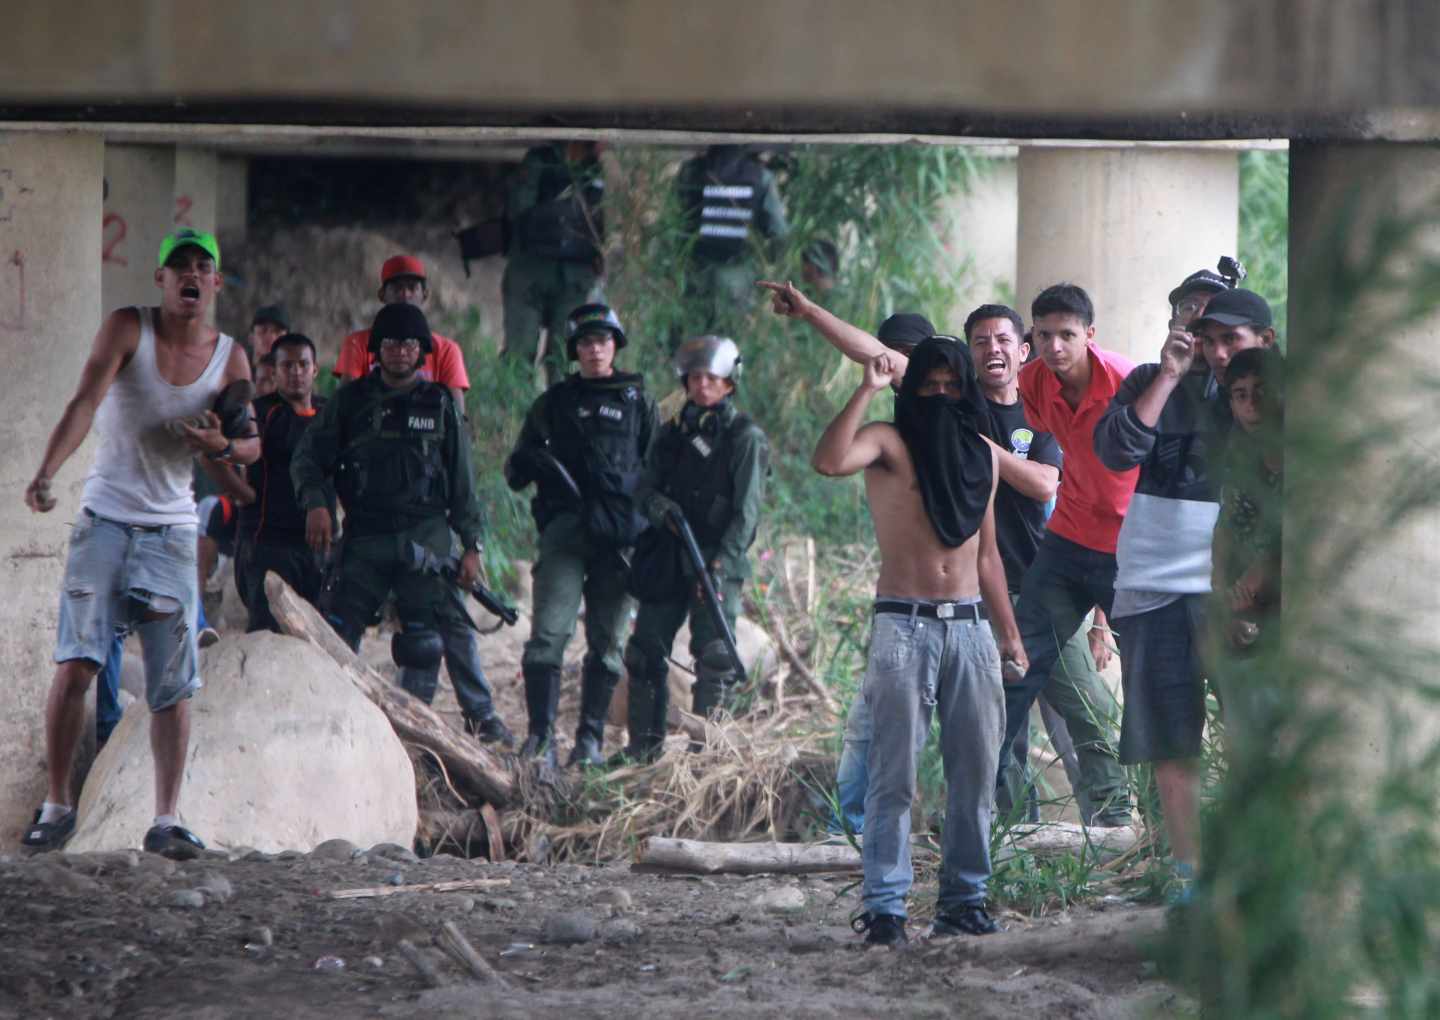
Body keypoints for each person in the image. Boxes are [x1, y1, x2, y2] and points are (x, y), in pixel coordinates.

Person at [759, 281, 1124, 827]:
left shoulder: (1032, 406)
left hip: (1046, 587)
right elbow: (875, 356)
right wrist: (810, 311)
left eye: (1004, 339)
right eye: (980, 342)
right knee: (1002, 727)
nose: (992, 349)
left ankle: (1116, 822)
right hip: (974, 596)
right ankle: (1010, 834)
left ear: (1023, 350)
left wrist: (978, 444)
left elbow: (1047, 485)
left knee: (1086, 710)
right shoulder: (952, 403)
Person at [21, 227, 258, 857]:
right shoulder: (129, 327)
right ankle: (57, 803)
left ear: (215, 284)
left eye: (201, 266)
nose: (190, 274)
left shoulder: (231, 358)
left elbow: (251, 445)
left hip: (173, 533)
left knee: (172, 682)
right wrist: (47, 471)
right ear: (160, 280)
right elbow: (84, 400)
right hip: (104, 520)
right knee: (77, 662)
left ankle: (166, 817)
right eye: (178, 264)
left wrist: (221, 448)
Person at [814, 338, 1026, 946]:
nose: (938, 395)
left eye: (949, 386)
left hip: (969, 628)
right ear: (911, 393)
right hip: (901, 624)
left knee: (976, 772)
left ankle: (964, 901)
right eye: (927, 386)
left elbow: (989, 559)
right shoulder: (888, 443)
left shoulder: (980, 458)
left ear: (965, 393)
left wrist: (1008, 635)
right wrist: (866, 388)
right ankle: (885, 908)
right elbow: (828, 461)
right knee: (893, 773)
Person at [1095, 285, 1275, 877]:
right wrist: (1170, 375)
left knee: (1255, 734)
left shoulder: (1256, 395)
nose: (1212, 347)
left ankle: (1255, 871)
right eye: (1196, 326)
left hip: (1235, 593)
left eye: (1224, 333)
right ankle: (1187, 875)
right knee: (1173, 740)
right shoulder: (1150, 379)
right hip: (1154, 584)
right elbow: (1115, 453)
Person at [293, 303, 513, 746]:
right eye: (390, 343)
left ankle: (438, 727)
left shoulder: (442, 406)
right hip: (365, 536)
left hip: (427, 537)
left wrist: (473, 546)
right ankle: (318, 720)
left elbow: (463, 484)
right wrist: (316, 505)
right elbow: (308, 459)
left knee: (431, 637)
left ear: (423, 351)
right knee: (335, 633)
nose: (399, 352)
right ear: (376, 349)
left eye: (409, 344)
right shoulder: (350, 401)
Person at [1003, 284, 1140, 824]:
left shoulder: (1128, 382)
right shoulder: (1033, 380)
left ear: (1090, 335)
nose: (1054, 346)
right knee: (1016, 668)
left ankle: (1155, 831)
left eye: (1066, 335)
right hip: (1065, 539)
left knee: (1150, 684)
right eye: (1044, 335)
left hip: (1129, 547)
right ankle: (997, 817)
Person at [505, 304, 659, 766]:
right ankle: (540, 738)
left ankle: (589, 740)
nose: (596, 349)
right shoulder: (553, 404)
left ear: (615, 346)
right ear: (575, 350)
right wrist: (535, 463)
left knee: (608, 642)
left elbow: (658, 474)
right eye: (587, 342)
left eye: (604, 341)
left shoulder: (639, 402)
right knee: (548, 633)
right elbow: (515, 470)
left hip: (620, 540)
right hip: (566, 533)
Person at [621, 337, 769, 761]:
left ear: (729, 384)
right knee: (644, 651)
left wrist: (721, 564)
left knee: (716, 658)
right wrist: (657, 506)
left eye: (712, 378)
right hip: (669, 553)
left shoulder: (745, 438)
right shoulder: (670, 434)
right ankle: (642, 751)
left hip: (716, 559)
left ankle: (708, 758)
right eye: (695, 377)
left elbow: (747, 512)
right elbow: (643, 489)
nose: (702, 385)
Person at [225, 333, 333, 633]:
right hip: (267, 545)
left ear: (315, 370)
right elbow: (221, 454)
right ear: (274, 372)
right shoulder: (258, 412)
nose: (296, 372)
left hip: (319, 549)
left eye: (303, 364)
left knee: (319, 642)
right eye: (287, 366)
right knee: (268, 636)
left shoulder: (332, 414)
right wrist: (241, 493)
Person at [1210, 345, 1284, 728]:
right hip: (1237, 598)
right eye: (1240, 394)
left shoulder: (1297, 453)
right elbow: (1224, 524)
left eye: (1261, 390)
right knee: (1239, 720)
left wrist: (1254, 580)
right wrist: (1223, 588)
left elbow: (1286, 534)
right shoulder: (1237, 451)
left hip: (1281, 602)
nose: (1252, 404)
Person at [502, 142, 606, 375]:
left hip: (575, 279)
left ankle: (559, 411)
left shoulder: (596, 168)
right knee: (519, 355)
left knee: (564, 357)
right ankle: (512, 411)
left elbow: (604, 223)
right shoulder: (540, 160)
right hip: (529, 275)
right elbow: (517, 210)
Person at [675, 146, 788, 342]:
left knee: (695, 338)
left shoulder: (691, 171)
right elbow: (778, 233)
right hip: (737, 275)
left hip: (696, 272)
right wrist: (766, 266)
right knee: (732, 342)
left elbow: (675, 221)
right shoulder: (760, 176)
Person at [333, 255, 470, 409]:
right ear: (381, 295)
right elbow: (343, 408)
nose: (405, 294)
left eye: (412, 287)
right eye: (397, 288)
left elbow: (457, 418)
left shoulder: (447, 351)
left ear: (425, 295)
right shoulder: (357, 344)